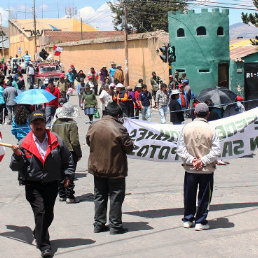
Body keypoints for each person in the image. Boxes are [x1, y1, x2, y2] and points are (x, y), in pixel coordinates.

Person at [10, 110, 75, 257]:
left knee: (49, 214)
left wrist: (68, 175)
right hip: (33, 183)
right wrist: (17, 156)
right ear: (30, 125)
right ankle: (44, 245)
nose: (38, 126)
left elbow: (67, 158)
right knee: (40, 211)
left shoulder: (56, 139)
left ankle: (38, 231)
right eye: (35, 123)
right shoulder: (23, 143)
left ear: (46, 124)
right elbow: (14, 167)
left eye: (41, 123)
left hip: (51, 182)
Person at [86, 102, 134, 234]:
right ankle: (115, 225)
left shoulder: (93, 126)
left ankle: (99, 224)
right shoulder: (120, 128)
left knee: (99, 196)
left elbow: (88, 141)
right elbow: (129, 148)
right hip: (115, 169)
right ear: (117, 115)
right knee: (116, 196)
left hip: (97, 167)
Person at [177, 103, 221, 231]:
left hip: (190, 168)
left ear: (195, 113)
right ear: (208, 114)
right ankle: (200, 221)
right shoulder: (212, 129)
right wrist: (203, 161)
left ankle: (188, 218)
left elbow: (180, 148)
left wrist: (193, 160)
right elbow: (216, 150)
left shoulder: (186, 128)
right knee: (204, 196)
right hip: (206, 169)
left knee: (189, 194)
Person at [52, 103, 82, 204]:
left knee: (60, 173)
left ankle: (62, 194)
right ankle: (69, 196)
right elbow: (74, 141)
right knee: (69, 174)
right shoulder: (72, 123)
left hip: (57, 150)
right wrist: (79, 153)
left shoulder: (56, 122)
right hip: (69, 151)